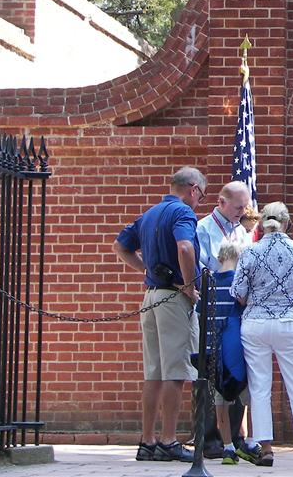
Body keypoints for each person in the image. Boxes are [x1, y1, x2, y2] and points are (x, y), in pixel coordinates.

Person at [112, 167, 206, 463]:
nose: (200, 201)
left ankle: (148, 440)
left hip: (151, 296)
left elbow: (120, 246)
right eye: (201, 195)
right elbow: (185, 246)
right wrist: (190, 286)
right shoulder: (183, 213)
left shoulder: (151, 213)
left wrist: (147, 270)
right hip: (173, 298)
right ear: (192, 189)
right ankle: (168, 440)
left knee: (153, 371)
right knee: (175, 371)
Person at [230, 201, 293, 468]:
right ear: (287, 223)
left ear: (263, 223)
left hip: (255, 323)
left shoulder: (250, 251)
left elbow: (238, 293)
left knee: (260, 387)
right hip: (289, 322)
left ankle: (265, 449)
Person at [196, 181, 253, 460]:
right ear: (221, 202)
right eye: (238, 206)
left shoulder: (241, 230)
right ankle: (209, 437)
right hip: (212, 307)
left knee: (237, 368)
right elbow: (201, 267)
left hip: (238, 309)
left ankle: (236, 436)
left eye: (245, 207)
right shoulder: (204, 228)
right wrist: (227, 264)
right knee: (209, 370)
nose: (242, 212)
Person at [195, 241, 245, 465]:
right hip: (235, 352)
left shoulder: (208, 282)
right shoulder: (239, 283)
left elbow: (200, 313)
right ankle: (250, 441)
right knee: (246, 398)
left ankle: (227, 447)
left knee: (219, 401)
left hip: (212, 351)